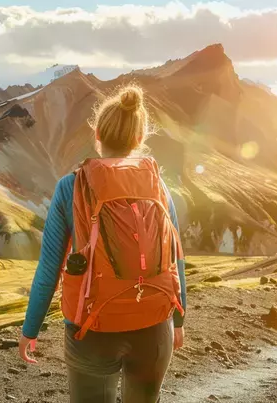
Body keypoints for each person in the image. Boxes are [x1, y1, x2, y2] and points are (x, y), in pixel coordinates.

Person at [17, 85, 188, 403]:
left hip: (91, 329)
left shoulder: (71, 186)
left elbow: (50, 266)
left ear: (97, 133)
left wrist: (30, 329)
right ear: (139, 139)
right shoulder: (157, 183)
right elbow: (175, 258)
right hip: (154, 324)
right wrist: (178, 318)